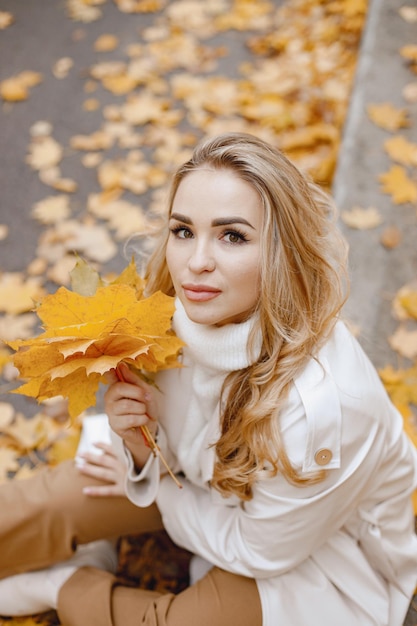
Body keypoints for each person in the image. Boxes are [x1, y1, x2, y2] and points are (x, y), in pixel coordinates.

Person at [0, 132, 416, 626]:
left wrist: (163, 492)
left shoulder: (325, 406)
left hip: (316, 555)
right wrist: (138, 446)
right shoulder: (163, 320)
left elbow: (259, 551)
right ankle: (93, 547)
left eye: (232, 236)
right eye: (183, 231)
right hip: (194, 490)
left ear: (282, 251)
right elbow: (172, 457)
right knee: (38, 508)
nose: (196, 262)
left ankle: (65, 583)